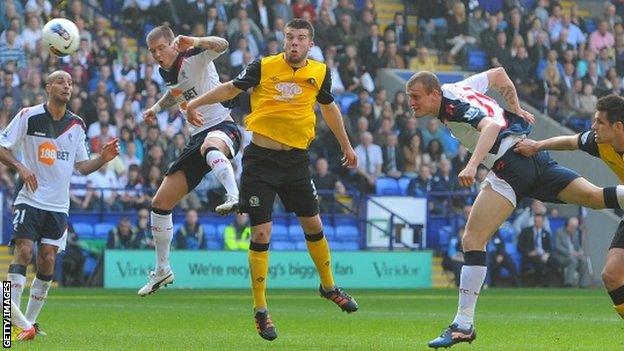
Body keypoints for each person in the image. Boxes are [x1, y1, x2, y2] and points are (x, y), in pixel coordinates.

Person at [405, 68, 624, 349]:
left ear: (435, 94)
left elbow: (492, 127)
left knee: (472, 240)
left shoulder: (452, 105)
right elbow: (498, 74)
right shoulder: (458, 88)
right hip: (531, 154)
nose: (412, 102)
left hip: (510, 165)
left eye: (416, 97)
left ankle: (463, 324)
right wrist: (516, 109)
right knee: (595, 197)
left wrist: (472, 165)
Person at [185, 19, 359, 341]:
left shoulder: (320, 72)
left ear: (310, 44)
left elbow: (330, 108)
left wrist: (346, 145)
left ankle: (329, 286)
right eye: (290, 37)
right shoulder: (263, 66)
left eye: (301, 38)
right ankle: (261, 310)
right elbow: (229, 89)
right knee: (262, 230)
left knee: (314, 224)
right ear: (283, 40)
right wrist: (193, 102)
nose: (294, 42)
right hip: (261, 160)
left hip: (295, 161)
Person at [0, 70, 119, 337]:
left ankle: (28, 325)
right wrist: (20, 166)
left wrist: (103, 158)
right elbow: (2, 146)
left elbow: (82, 166)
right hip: (29, 197)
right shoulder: (28, 115)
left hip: (58, 206)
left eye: (70, 82)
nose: (67, 86)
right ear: (48, 87)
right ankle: (11, 321)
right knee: (24, 251)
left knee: (48, 260)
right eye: (60, 81)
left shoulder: (76, 124)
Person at [138, 25, 242, 297]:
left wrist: (195, 39)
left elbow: (223, 44)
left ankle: (233, 194)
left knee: (211, 146)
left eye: (161, 48)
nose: (158, 55)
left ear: (173, 44)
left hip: (223, 127)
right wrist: (155, 109)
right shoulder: (166, 71)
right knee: (160, 203)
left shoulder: (194, 54)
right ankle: (162, 270)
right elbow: (176, 92)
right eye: (153, 51)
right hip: (196, 140)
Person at [515, 93, 624, 315]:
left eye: (599, 122)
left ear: (618, 126)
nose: (593, 126)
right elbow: (570, 142)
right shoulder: (599, 142)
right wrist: (536, 146)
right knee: (611, 275)